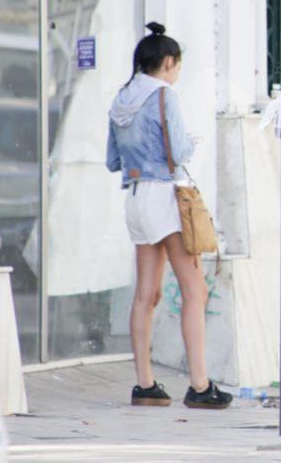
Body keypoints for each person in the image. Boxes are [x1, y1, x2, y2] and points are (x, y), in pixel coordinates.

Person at [105, 22, 232, 410]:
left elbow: (112, 160)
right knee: (196, 290)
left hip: (136, 197)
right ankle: (199, 384)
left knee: (146, 293)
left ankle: (145, 384)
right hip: (164, 196)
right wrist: (192, 143)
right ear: (168, 62)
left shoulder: (121, 97)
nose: (177, 74)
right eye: (177, 66)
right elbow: (177, 150)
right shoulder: (164, 96)